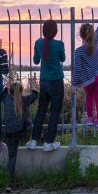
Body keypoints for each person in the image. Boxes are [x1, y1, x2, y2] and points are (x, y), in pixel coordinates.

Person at [27, 20, 66, 151]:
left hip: (44, 81)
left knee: (41, 110)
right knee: (54, 112)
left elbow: (36, 61)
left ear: (43, 30)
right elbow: (63, 58)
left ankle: (33, 140)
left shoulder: (38, 43)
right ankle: (48, 143)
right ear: (55, 31)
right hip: (57, 82)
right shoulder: (59, 44)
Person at [72, 13, 98, 127]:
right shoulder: (95, 42)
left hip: (88, 80)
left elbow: (77, 70)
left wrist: (74, 84)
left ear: (81, 35)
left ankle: (90, 119)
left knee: (89, 97)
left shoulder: (79, 51)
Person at [3, 81, 38, 185]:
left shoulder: (6, 99)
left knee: (11, 156)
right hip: (19, 132)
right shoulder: (24, 100)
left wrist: (5, 88)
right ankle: (9, 183)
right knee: (12, 157)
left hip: (8, 131)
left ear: (10, 91)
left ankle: (8, 180)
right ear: (21, 91)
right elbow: (34, 96)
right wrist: (34, 88)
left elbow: (3, 93)